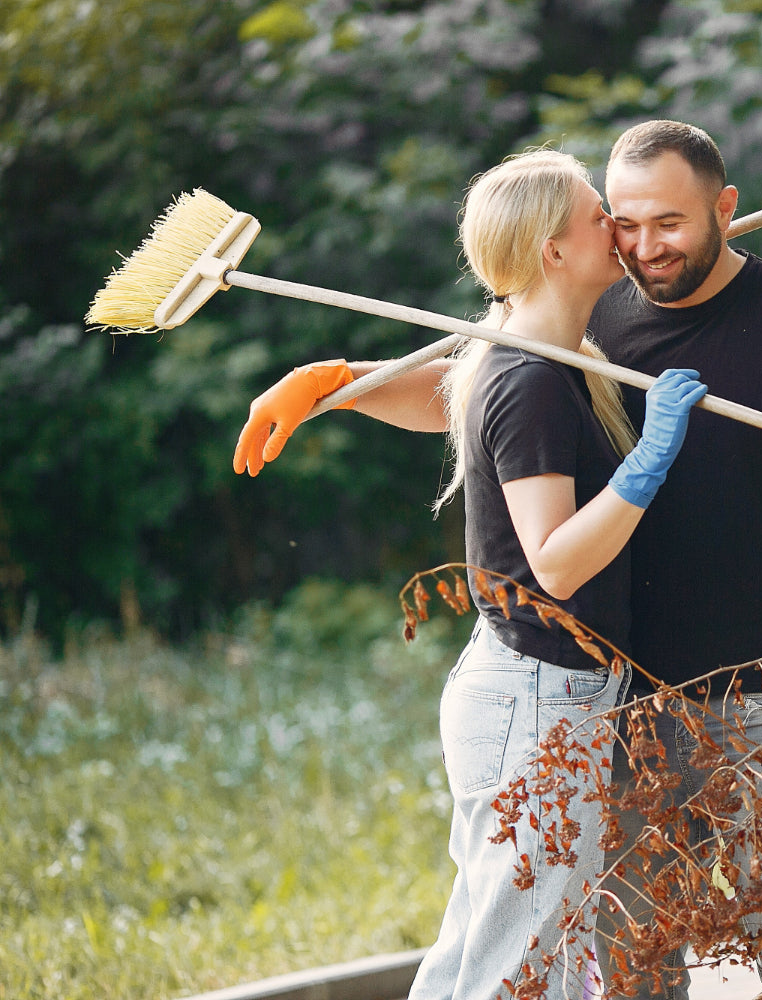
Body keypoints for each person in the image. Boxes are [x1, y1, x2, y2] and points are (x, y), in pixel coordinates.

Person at [234, 121, 762, 999]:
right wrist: (340, 385)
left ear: (726, 209)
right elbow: (480, 396)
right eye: (623, 222)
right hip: (621, 705)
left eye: (671, 223)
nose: (644, 247)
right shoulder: (593, 309)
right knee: (630, 970)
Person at [245, 148, 707, 1000]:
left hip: (533, 690)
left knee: (502, 952)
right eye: (597, 213)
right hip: (537, 701)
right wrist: (652, 456)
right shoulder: (530, 377)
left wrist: (336, 386)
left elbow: (441, 396)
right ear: (553, 252)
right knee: (522, 965)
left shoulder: (535, 356)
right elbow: (559, 564)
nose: (618, 225)